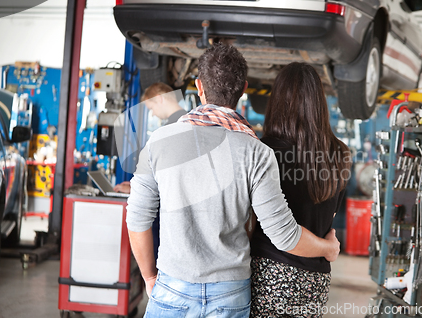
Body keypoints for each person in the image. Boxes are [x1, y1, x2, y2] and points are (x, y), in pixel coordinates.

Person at [126, 44, 340, 318]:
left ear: (199, 87)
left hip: (173, 286)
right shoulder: (257, 152)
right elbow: (284, 235)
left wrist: (149, 277)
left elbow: (137, 219)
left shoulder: (159, 141)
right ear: (243, 89)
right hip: (229, 294)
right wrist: (328, 247)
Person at [249, 62, 352, 317]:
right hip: (316, 281)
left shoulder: (265, 153)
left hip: (268, 274)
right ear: (319, 103)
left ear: (277, 102)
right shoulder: (340, 154)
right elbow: (331, 217)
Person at [113, 82, 187, 194]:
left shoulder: (171, 128)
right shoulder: (186, 120)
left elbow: (167, 174)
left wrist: (137, 189)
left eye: (151, 108)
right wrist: (138, 184)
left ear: (159, 99)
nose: (152, 114)